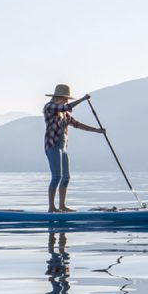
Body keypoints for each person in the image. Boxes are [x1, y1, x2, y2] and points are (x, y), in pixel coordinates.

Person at [43, 84, 104, 212]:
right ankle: (51, 207)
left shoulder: (64, 114)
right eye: (65, 98)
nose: (67, 100)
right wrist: (82, 99)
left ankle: (62, 205)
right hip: (52, 146)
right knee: (56, 177)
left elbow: (77, 124)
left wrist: (97, 131)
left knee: (66, 177)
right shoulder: (50, 107)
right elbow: (67, 107)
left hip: (63, 147)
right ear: (59, 97)